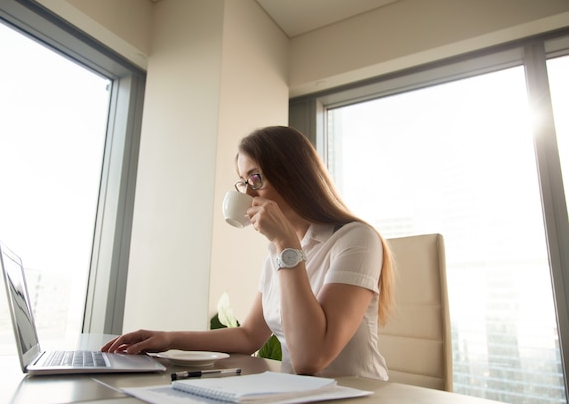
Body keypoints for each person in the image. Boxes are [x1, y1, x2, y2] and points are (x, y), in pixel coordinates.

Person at [102, 125, 394, 379]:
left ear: (294, 175)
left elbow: (310, 359)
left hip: (358, 395)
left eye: (256, 178)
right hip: (300, 393)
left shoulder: (356, 239)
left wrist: (286, 245)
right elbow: (249, 335)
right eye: (244, 182)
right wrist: (168, 338)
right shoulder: (278, 252)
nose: (248, 195)